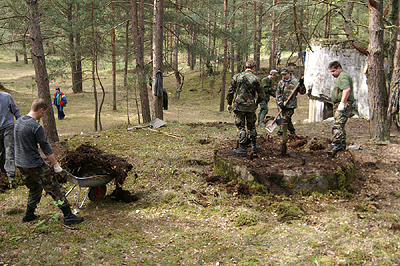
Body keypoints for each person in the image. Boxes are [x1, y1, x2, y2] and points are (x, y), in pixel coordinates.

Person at [14, 98, 83, 225]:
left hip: (20, 164)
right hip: (34, 164)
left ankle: (28, 214)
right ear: (41, 110)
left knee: (34, 188)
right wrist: (56, 165)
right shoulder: (36, 126)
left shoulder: (19, 122)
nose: (44, 115)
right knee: (55, 189)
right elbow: (46, 148)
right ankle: (68, 215)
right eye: (44, 112)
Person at [226, 59, 262, 157]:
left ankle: (243, 148)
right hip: (250, 106)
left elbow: (230, 91)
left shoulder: (237, 77)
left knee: (240, 126)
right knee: (251, 126)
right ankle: (254, 146)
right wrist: (256, 103)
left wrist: (229, 103)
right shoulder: (256, 79)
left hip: (239, 106)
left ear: (246, 66)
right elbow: (261, 95)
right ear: (254, 67)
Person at [327, 61, 356, 156]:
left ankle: (337, 145)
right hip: (340, 103)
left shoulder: (343, 76)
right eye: (331, 72)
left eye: (334, 71)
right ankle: (341, 145)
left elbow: (347, 89)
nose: (332, 74)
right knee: (340, 125)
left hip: (344, 104)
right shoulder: (340, 76)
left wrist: (342, 104)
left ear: (339, 68)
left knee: (337, 124)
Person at [276, 68, 306, 155]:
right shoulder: (280, 83)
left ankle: (281, 132)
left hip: (290, 105)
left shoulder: (295, 82)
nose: (284, 76)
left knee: (285, 119)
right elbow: (278, 93)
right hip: (283, 105)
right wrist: (280, 102)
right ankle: (292, 132)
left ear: (289, 73)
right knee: (287, 120)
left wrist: (302, 84)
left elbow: (302, 92)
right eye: (282, 75)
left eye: (285, 74)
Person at [0, 91, 21, 188]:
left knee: (9, 150)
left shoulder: (7, 97)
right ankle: (2, 172)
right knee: (1, 152)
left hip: (8, 127)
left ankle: (10, 175)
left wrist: (20, 123)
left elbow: (16, 111)